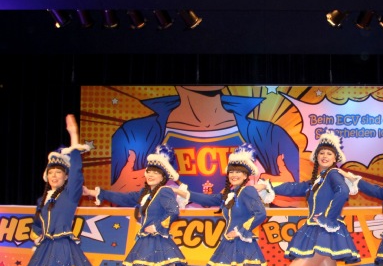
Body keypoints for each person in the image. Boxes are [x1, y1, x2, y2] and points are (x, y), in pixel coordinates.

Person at [109, 86, 299, 207]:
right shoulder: (133, 134)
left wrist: (281, 193)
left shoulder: (270, 135)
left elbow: (295, 200)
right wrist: (118, 192)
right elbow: (116, 210)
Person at [257, 131, 360, 266]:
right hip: (319, 230)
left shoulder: (333, 174)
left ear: (335, 158)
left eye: (329, 153)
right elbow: (294, 188)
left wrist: (328, 217)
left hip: (324, 230)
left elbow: (343, 192)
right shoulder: (317, 180)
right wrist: (268, 185)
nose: (325, 156)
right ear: (316, 157)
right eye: (321, 153)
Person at [24, 114, 95, 266]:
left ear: (65, 177)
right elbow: (37, 225)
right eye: (51, 172)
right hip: (47, 249)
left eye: (59, 172)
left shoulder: (69, 195)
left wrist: (73, 136)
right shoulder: (43, 200)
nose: (54, 175)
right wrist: (36, 235)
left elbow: (77, 171)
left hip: (61, 249)